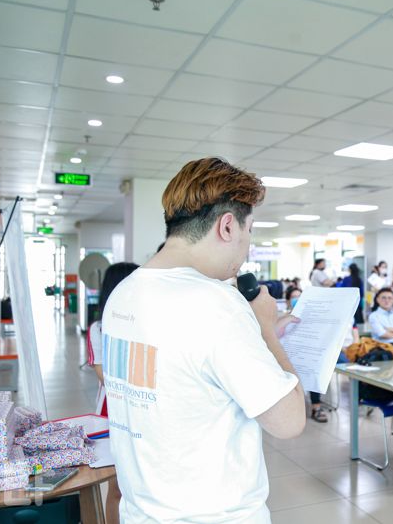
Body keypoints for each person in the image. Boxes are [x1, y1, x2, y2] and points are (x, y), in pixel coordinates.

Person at [101, 158, 306, 523]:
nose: (247, 246)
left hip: (141, 513)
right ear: (227, 226)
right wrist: (265, 329)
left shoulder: (123, 293)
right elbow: (289, 422)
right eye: (249, 231)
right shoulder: (217, 305)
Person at [88, 261, 139, 524]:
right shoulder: (98, 328)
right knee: (117, 487)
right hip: (111, 415)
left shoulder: (147, 323)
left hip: (143, 411)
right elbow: (104, 375)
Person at [285, 286, 328, 423]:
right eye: (294, 297)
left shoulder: (312, 318)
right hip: (287, 357)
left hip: (307, 356)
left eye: (300, 297)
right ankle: (290, 408)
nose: (297, 299)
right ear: (287, 301)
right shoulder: (282, 319)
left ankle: (316, 407)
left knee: (314, 369)